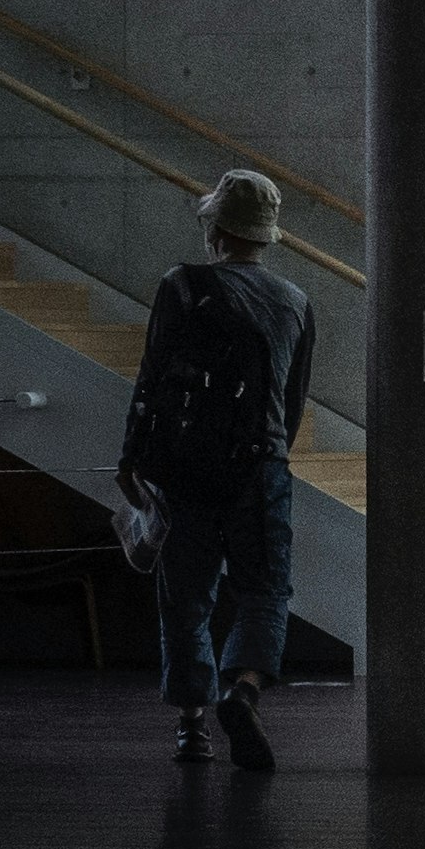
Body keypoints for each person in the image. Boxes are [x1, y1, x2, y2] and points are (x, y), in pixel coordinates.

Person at [118, 169, 315, 771]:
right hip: (261, 465)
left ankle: (192, 727)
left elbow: (152, 379)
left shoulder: (181, 285)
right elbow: (293, 399)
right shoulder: (296, 302)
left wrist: (133, 463)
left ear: (215, 228)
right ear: (265, 236)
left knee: (185, 598)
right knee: (264, 588)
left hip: (186, 471)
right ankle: (244, 690)